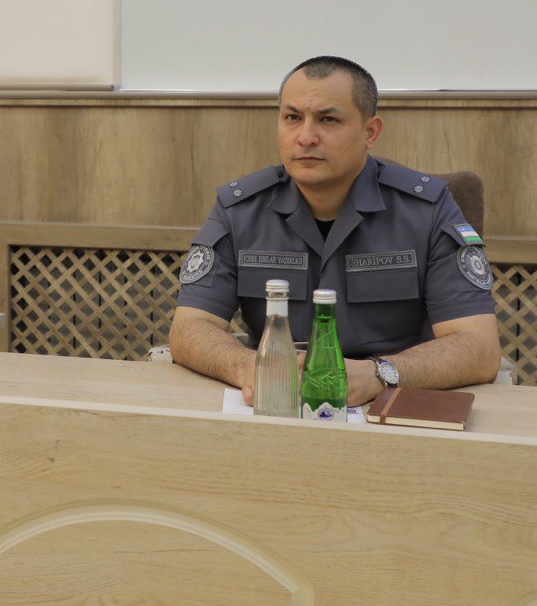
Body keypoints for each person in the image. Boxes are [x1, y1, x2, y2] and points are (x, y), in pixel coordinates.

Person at [169, 56, 501, 406]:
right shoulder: (239, 209)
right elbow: (190, 327)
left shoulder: (427, 209)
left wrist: (380, 374)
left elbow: (479, 347)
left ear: (370, 132)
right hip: (275, 401)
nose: (305, 137)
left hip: (390, 404)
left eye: (328, 120)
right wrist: (249, 368)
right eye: (292, 118)